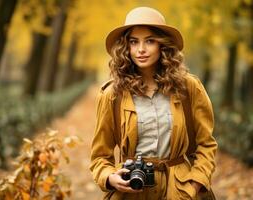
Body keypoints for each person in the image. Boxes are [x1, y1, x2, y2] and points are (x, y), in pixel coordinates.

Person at [90, 6, 217, 200]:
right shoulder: (112, 95)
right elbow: (100, 156)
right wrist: (110, 177)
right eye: (134, 42)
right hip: (131, 192)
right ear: (126, 47)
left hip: (180, 192)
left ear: (162, 45)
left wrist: (195, 185)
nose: (141, 49)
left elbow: (206, 145)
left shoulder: (188, 88)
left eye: (149, 41)